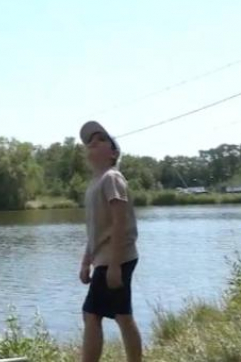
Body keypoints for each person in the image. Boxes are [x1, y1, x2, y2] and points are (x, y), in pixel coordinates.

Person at [78, 121, 142, 362]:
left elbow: (120, 222)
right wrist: (86, 262)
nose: (93, 142)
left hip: (118, 258)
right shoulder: (95, 183)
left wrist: (115, 265)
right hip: (105, 260)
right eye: (90, 140)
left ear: (113, 153)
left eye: (101, 139)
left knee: (92, 314)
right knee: (120, 315)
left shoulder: (112, 178)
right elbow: (96, 230)